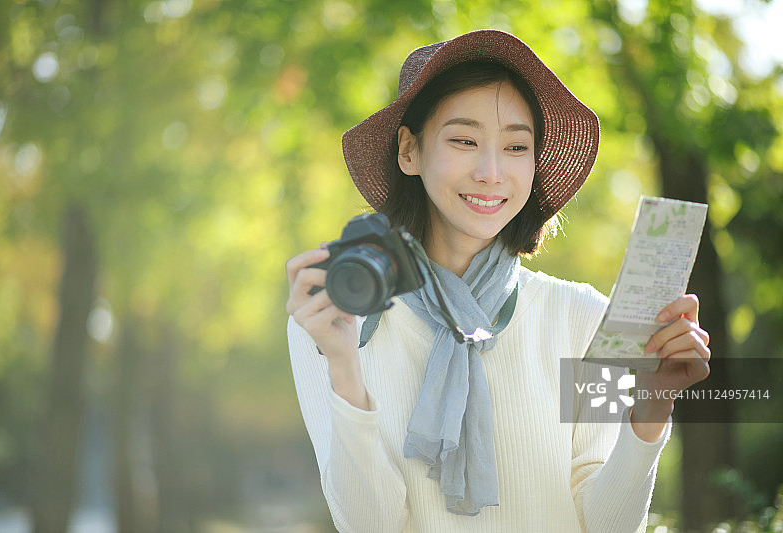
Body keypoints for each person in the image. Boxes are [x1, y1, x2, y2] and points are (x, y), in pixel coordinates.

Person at [285, 30, 711, 532]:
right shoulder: (336, 320)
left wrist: (651, 406)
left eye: (515, 146)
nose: (491, 172)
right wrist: (343, 365)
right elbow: (371, 526)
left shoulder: (583, 319)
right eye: (464, 140)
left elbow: (607, 526)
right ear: (410, 151)